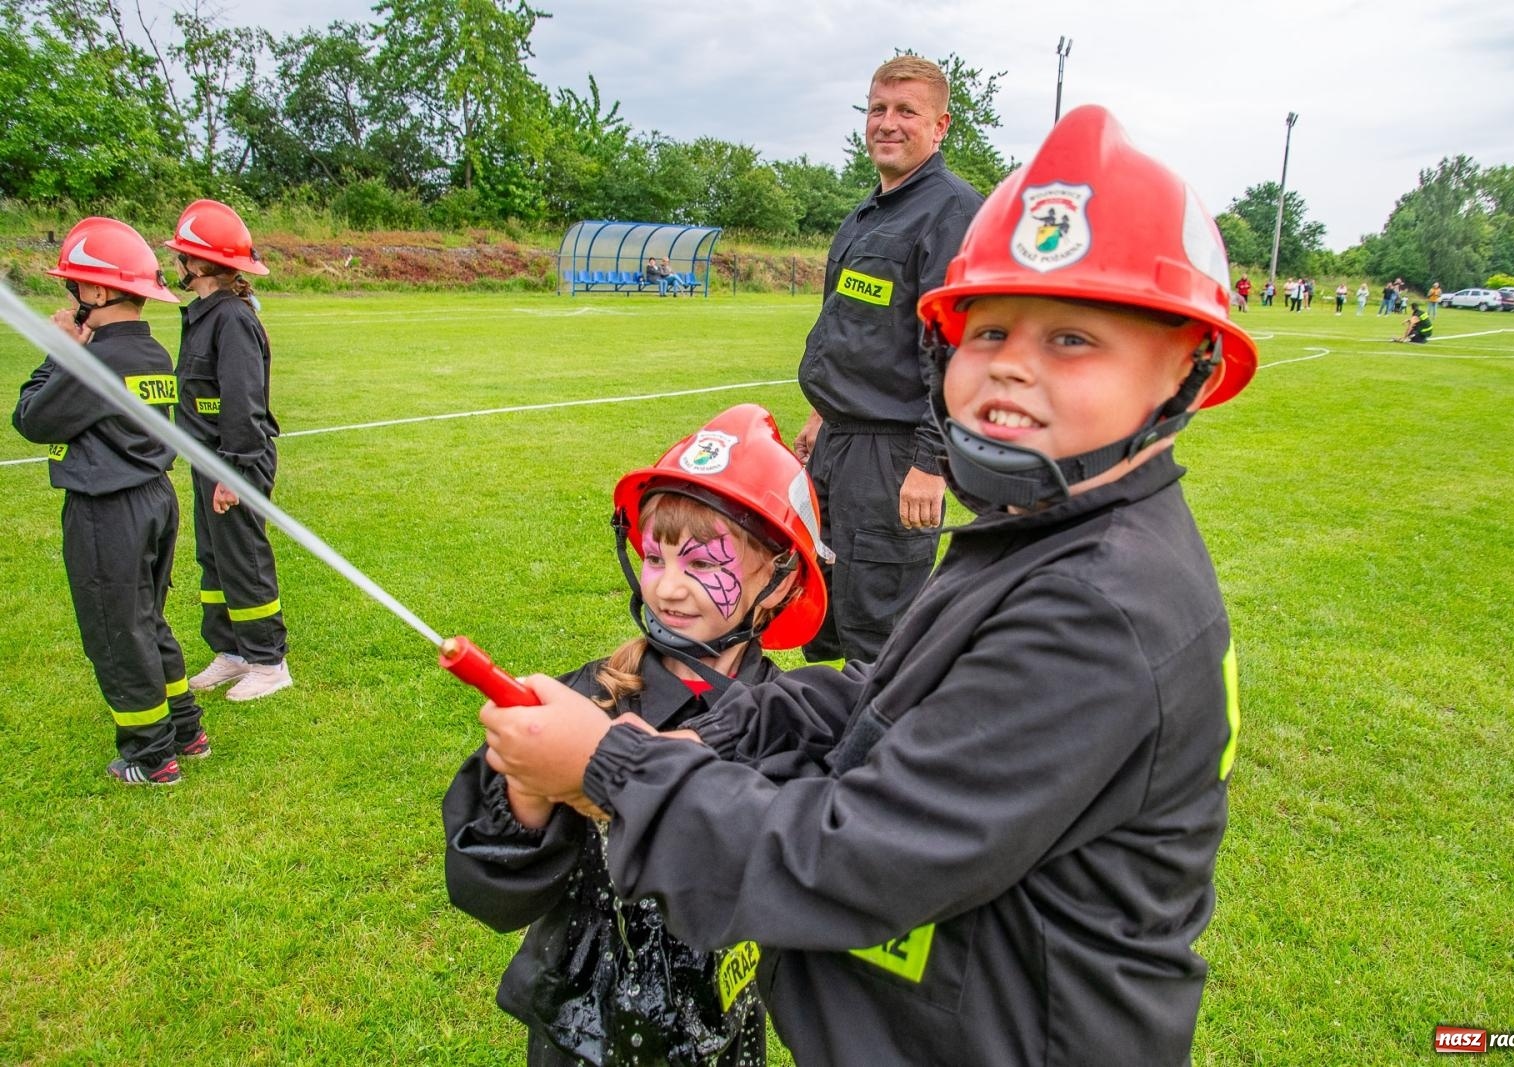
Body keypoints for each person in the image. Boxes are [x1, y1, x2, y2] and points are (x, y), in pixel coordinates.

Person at [474, 104, 1257, 1065]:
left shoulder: (1098, 603)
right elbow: (886, 694)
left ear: (1186, 366)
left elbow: (853, 859)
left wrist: (609, 768)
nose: (1011, 366)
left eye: (1073, 339)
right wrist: (715, 729)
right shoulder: (1049, 535)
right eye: (992, 328)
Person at [445, 404, 830, 1066]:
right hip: (584, 1036)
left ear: (781, 577)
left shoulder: (791, 726)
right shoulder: (585, 700)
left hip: (726, 1034)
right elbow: (486, 891)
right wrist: (526, 800)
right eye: (654, 554)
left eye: (704, 561)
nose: (669, 585)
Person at [790, 56, 983, 665]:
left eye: (907, 111)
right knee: (817, 610)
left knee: (878, 634)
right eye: (878, 109)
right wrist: (822, 416)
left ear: (940, 125)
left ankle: (876, 756)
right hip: (837, 445)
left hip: (895, 456)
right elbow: (849, 327)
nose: (888, 123)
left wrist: (931, 461)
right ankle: (815, 748)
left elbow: (961, 349)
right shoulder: (866, 215)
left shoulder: (951, 213)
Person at [12, 217, 209, 785]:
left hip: (107, 509)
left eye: (73, 287)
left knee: (115, 633)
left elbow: (31, 417)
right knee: (146, 619)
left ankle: (151, 756)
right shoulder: (149, 353)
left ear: (97, 292)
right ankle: (184, 727)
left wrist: (59, 353)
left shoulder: (95, 362)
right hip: (153, 500)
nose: (70, 298)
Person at [165, 199, 291, 701]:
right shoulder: (203, 315)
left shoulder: (232, 318)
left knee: (243, 559)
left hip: (233, 461)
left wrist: (232, 472)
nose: (174, 261)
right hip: (210, 462)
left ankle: (268, 661)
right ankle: (233, 650)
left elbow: (243, 402)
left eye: (180, 254)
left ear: (197, 264)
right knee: (214, 559)